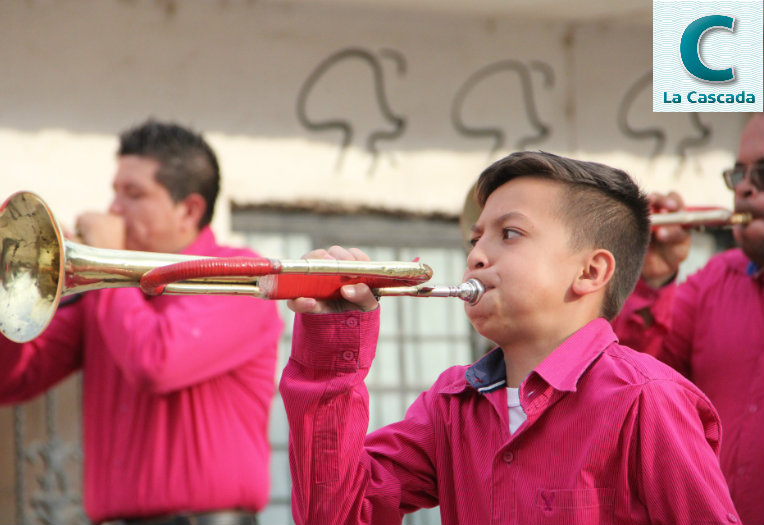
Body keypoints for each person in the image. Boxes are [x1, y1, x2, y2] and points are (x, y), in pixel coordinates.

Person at [278, 151, 739, 524]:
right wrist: (333, 339)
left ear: (591, 271)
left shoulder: (648, 400)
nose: (477, 254)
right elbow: (336, 515)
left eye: (510, 234)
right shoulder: (450, 404)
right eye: (474, 240)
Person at [0, 119, 284, 525]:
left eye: (134, 194)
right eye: (114, 191)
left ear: (189, 210)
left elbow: (155, 362)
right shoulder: (106, 296)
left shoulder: (239, 276)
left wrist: (105, 259)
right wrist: (19, 285)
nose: (114, 207)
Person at [613, 112, 764, 525]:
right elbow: (628, 385)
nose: (746, 188)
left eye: (762, 174)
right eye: (739, 175)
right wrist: (654, 277)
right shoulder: (713, 281)